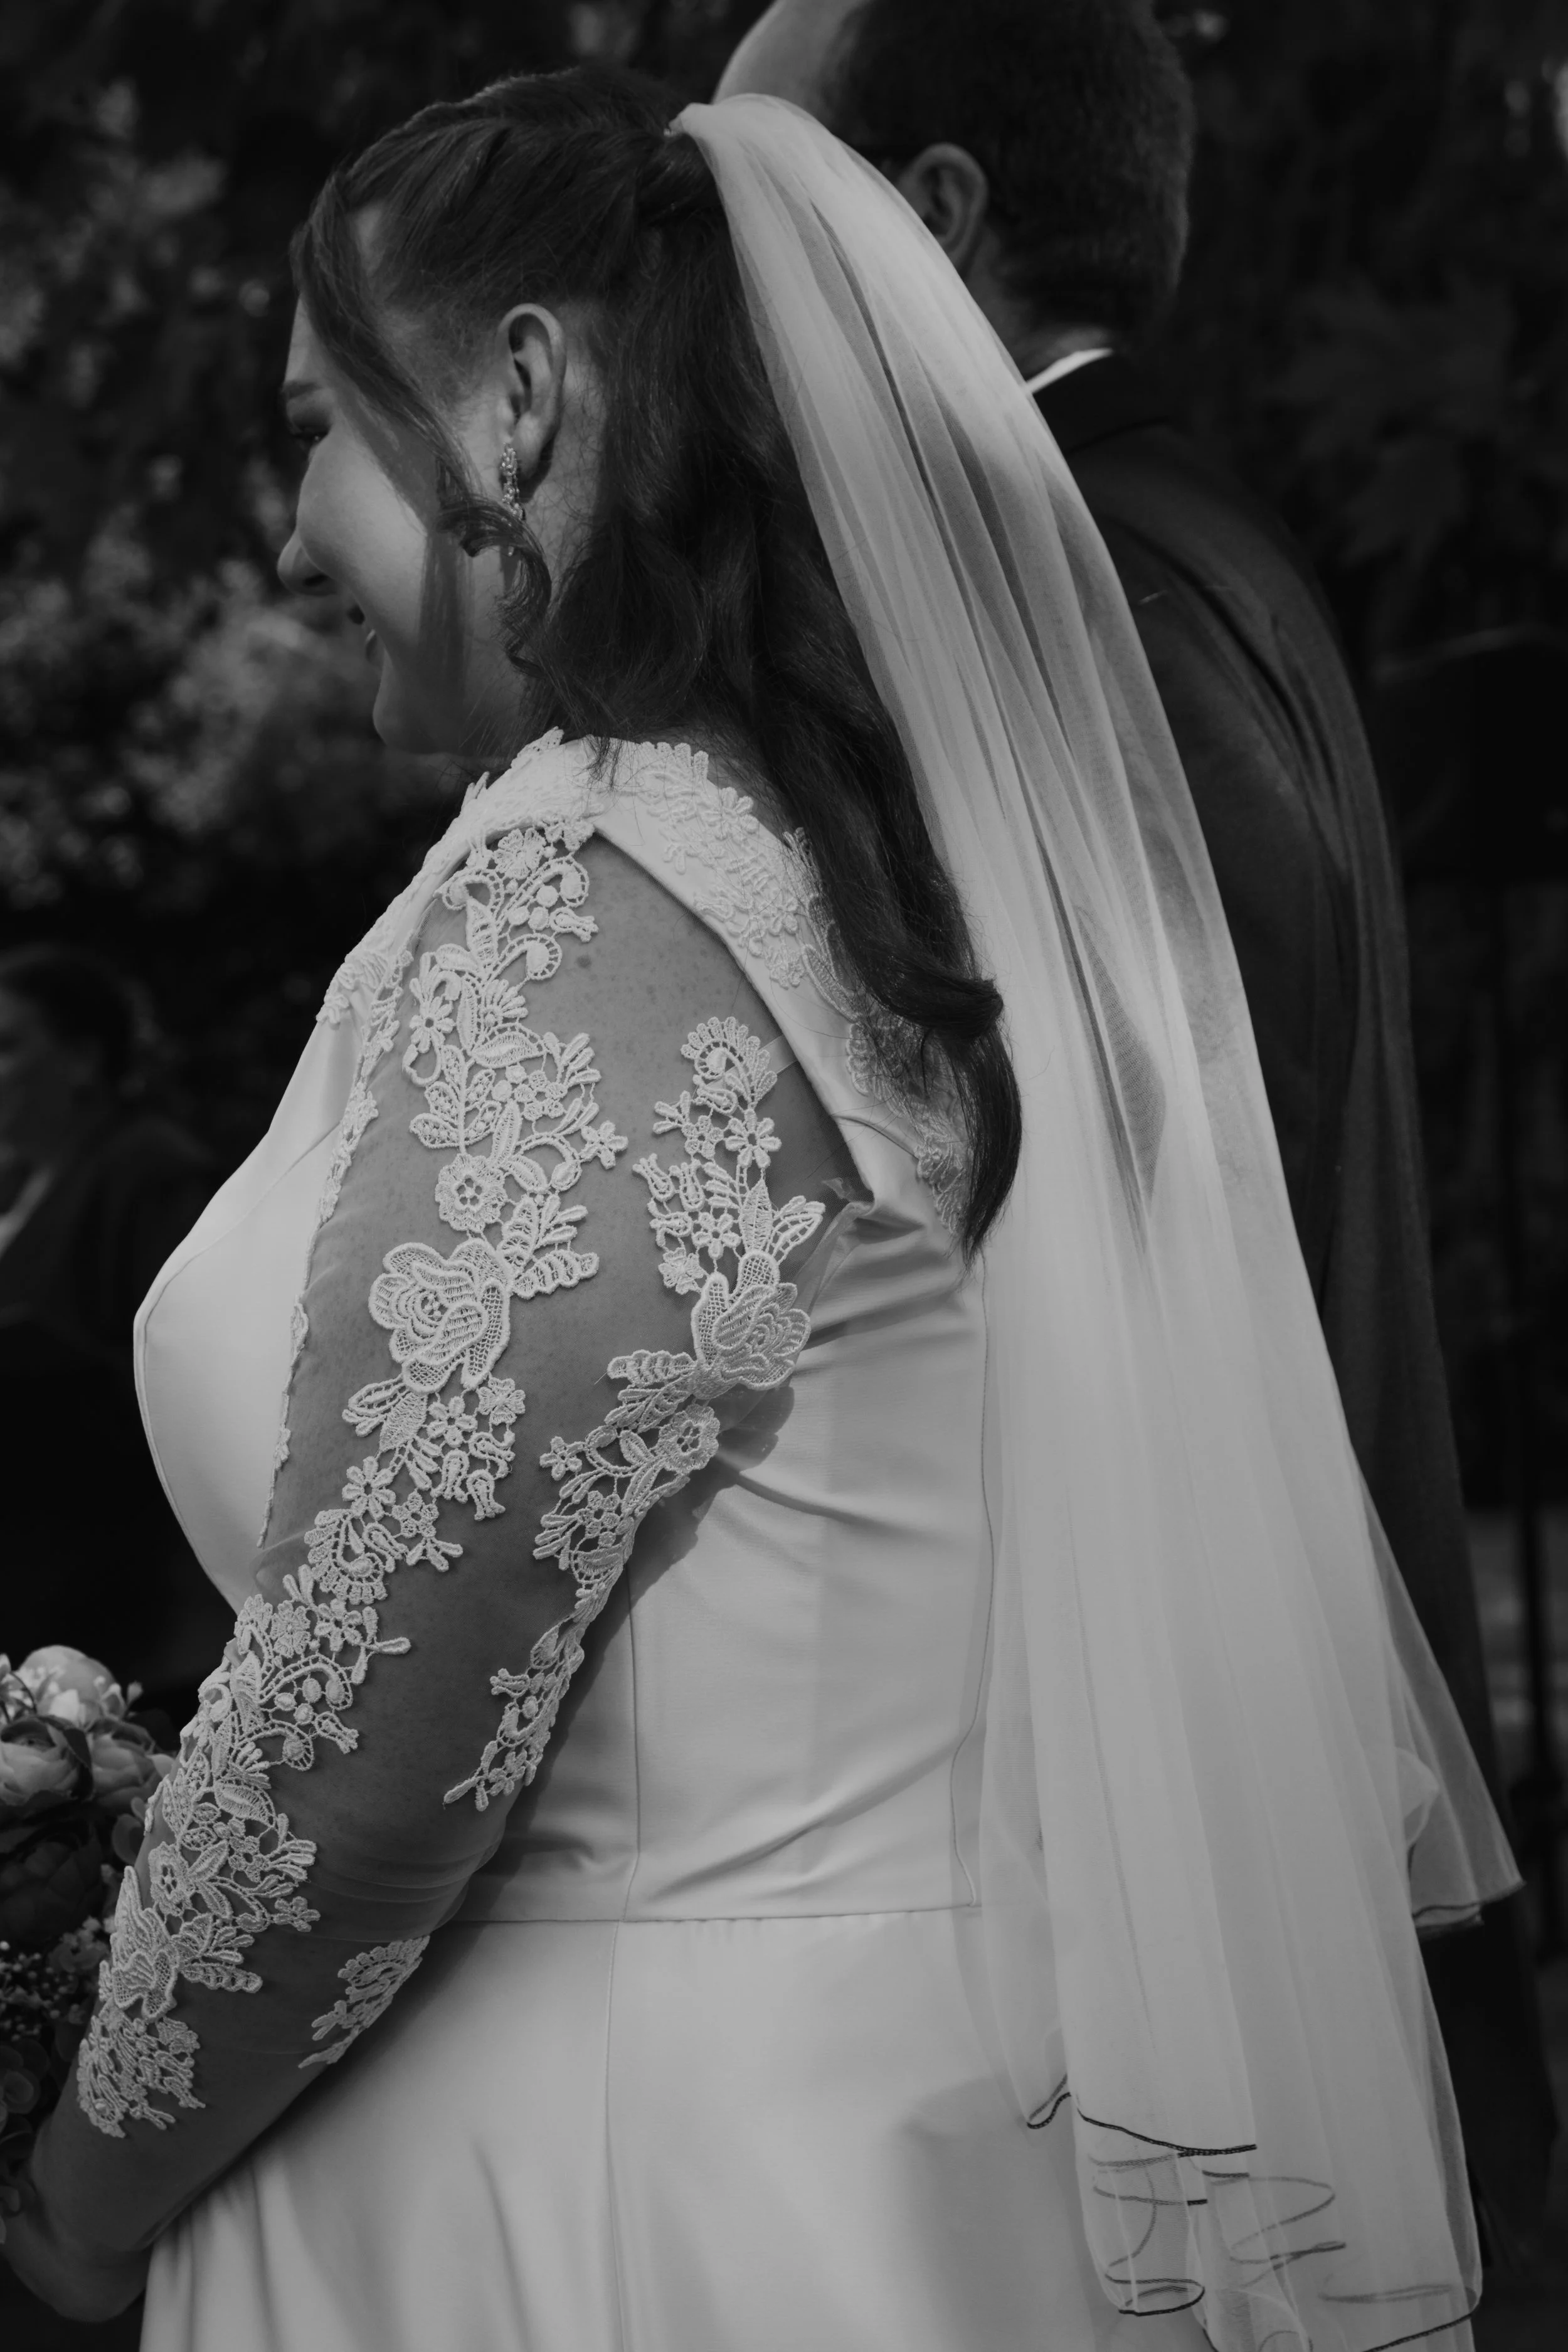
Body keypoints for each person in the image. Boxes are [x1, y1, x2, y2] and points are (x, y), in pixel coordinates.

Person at [3, 68, 1517, 2352]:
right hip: (891, 2141)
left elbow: (376, 1728)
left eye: (315, 423)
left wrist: (79, 2185)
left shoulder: (607, 889)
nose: (292, 523)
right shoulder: (885, 857)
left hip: (605, 2193)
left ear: (515, 399)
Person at [718, 0, 1556, 2262]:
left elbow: (1162, 1209)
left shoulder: (1098, 597)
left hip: (1161, 1787)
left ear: (941, 216)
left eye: (757, 210)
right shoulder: (1149, 544)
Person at [0, 946, 223, 1717]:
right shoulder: (13, 1186)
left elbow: (195, 1380)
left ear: (84, 1058)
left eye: (6, 1045)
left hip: (118, 1601)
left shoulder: (152, 1173)